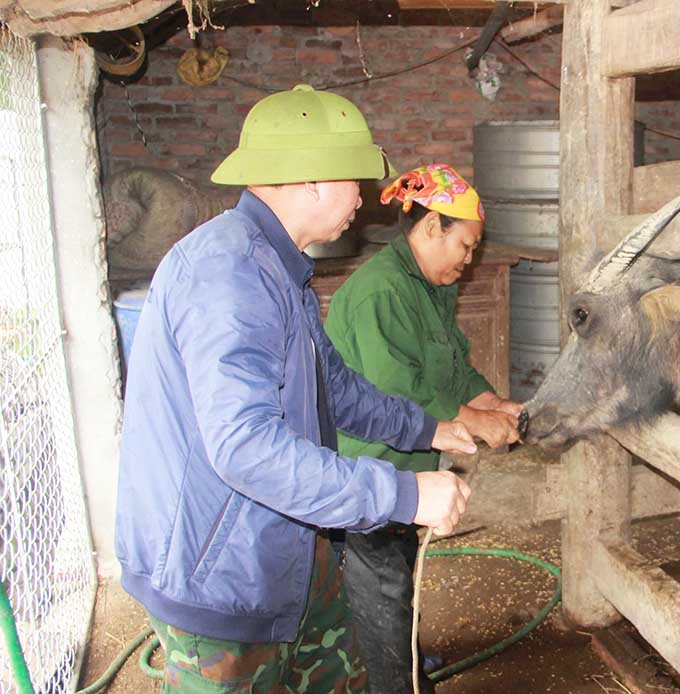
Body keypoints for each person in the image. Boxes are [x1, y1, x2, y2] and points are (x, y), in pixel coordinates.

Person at [114, 85, 477, 693]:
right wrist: (403, 494)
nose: (362, 198)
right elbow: (245, 447)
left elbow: (334, 386)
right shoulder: (229, 273)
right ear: (310, 179)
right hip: (219, 575)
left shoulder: (279, 266)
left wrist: (427, 429)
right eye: (353, 180)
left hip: (286, 544)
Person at [324, 163, 523, 693]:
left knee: (397, 583)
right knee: (383, 589)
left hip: (407, 474)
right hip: (369, 474)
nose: (469, 259)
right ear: (433, 227)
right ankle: (396, 679)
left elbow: (451, 368)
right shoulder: (381, 291)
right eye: (466, 246)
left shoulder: (430, 287)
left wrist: (497, 404)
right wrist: (477, 422)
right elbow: (399, 390)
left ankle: (401, 661)